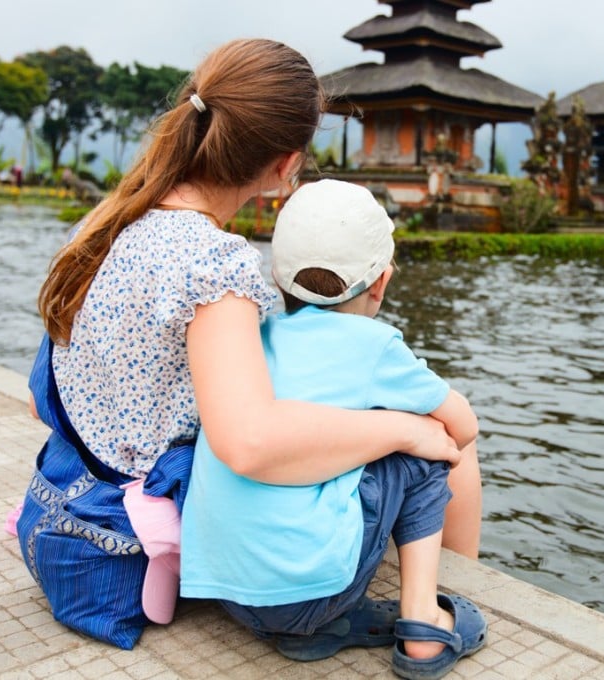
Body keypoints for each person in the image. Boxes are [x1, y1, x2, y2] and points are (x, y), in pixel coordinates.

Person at [13, 38, 481, 651]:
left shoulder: (109, 222)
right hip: (139, 534)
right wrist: (402, 429)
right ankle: (443, 598)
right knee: (443, 442)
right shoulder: (215, 262)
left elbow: (38, 399)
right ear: (287, 164)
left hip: (64, 501)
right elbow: (249, 443)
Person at [181, 179, 487, 678]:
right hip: (311, 591)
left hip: (229, 594)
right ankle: (425, 621)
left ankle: (316, 628)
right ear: (382, 283)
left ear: (277, 280)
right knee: (432, 443)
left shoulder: (252, 337)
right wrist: (411, 421)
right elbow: (465, 426)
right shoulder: (377, 346)